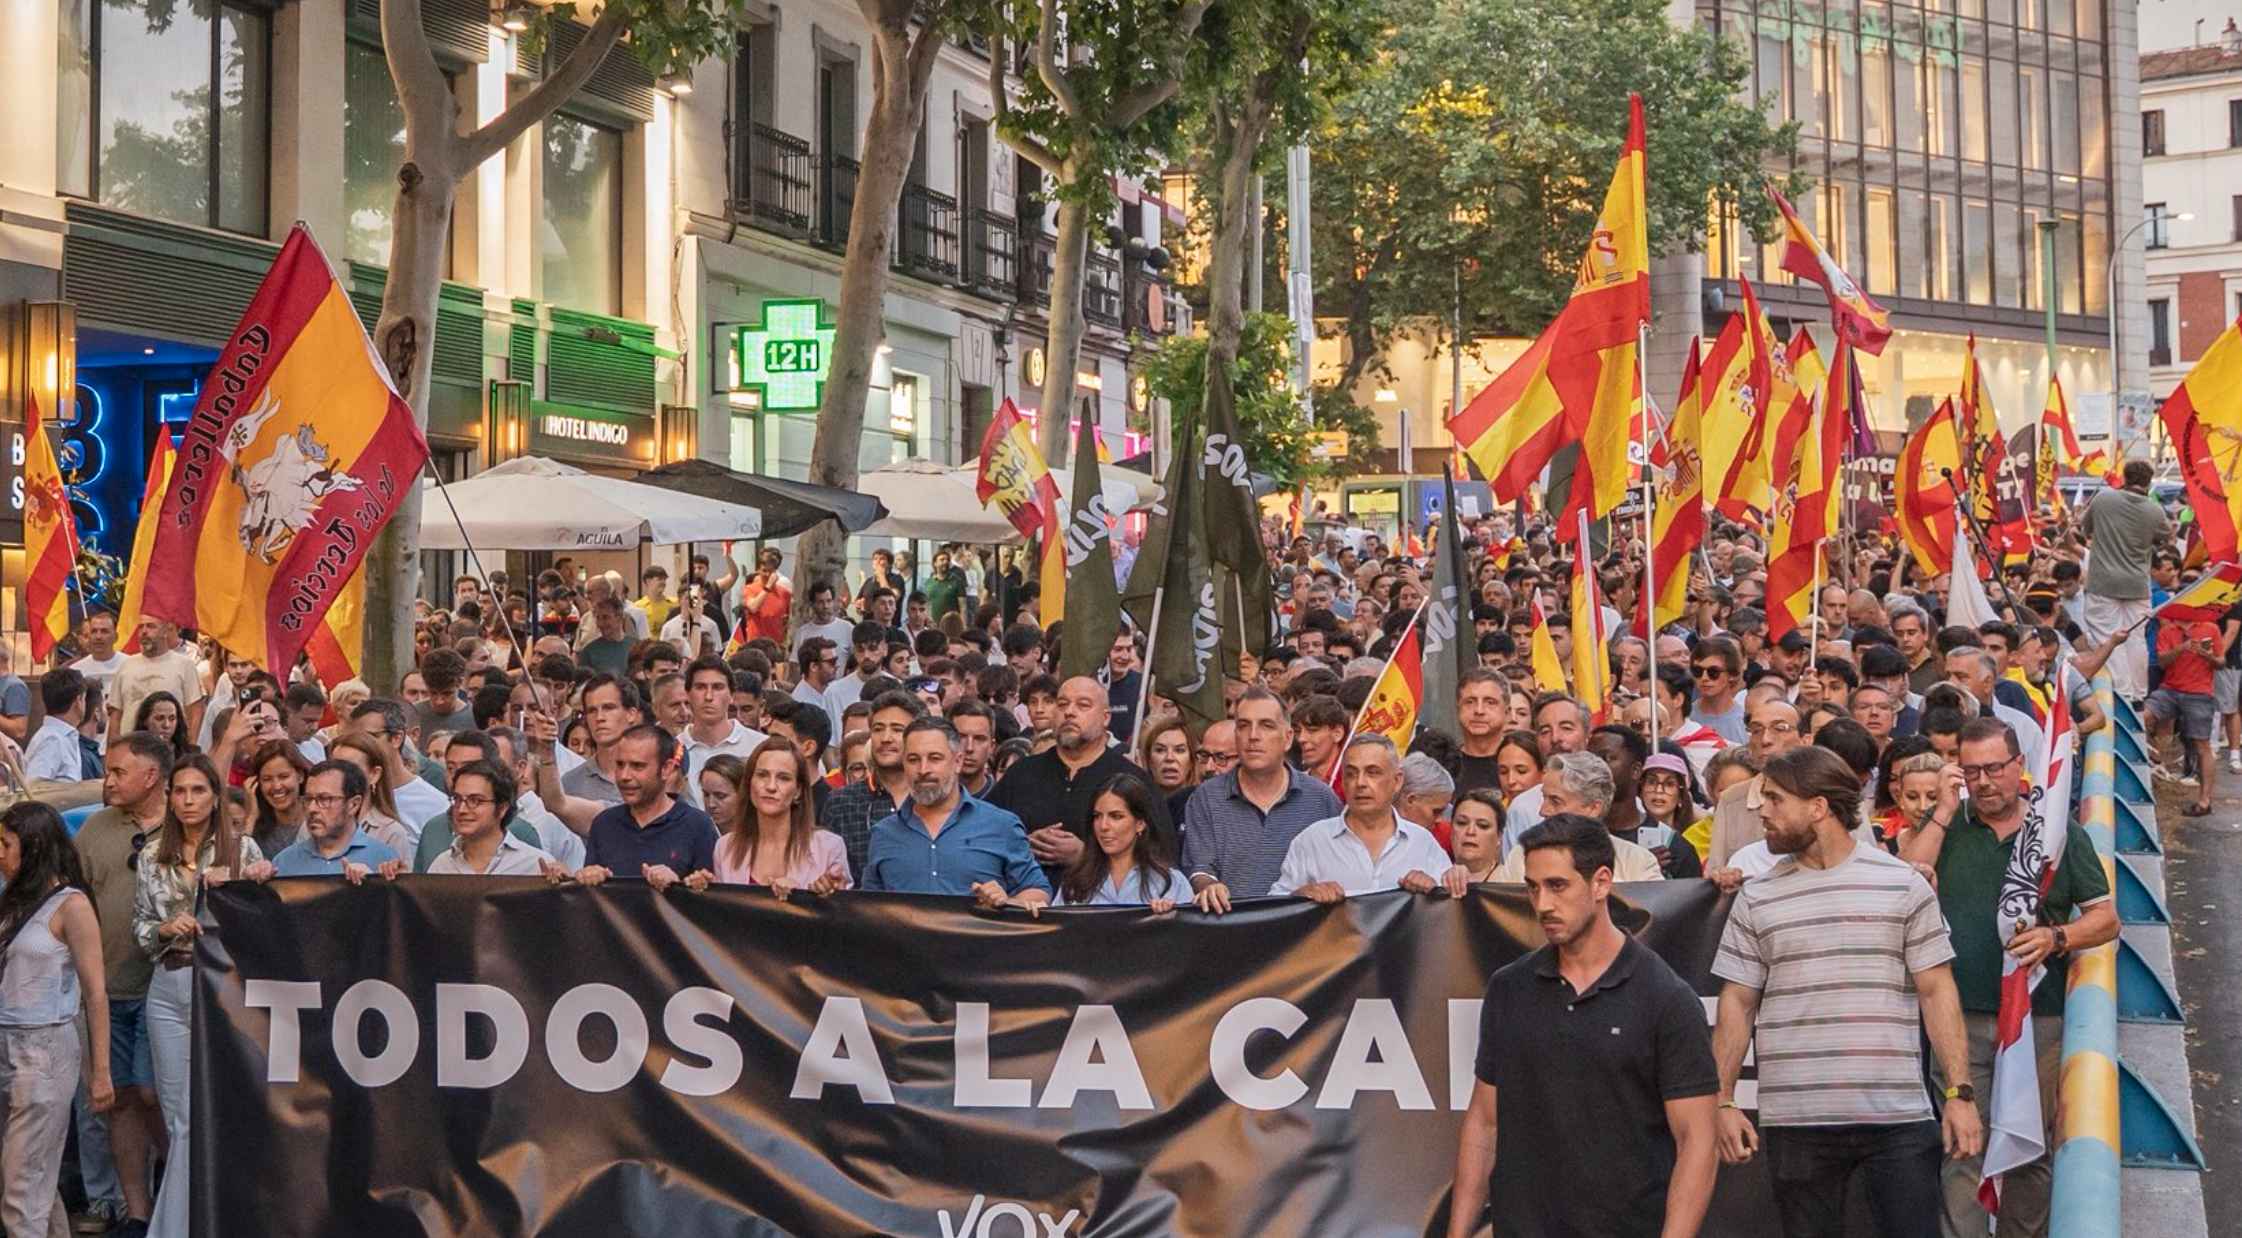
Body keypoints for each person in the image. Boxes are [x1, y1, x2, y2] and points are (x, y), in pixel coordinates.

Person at [1710, 747, 1981, 1237]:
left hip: (1897, 1117)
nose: (1762, 811)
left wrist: (1960, 1093)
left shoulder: (1903, 884)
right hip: (1795, 1123)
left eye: (1775, 800)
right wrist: (1724, 1101)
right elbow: (1736, 1001)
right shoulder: (1756, 895)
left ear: (1818, 808)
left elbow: (1937, 990)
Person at [1449, 813, 1718, 1238]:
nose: (1542, 905)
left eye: (1557, 886)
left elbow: (1697, 1142)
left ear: (1601, 882)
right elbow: (1485, 1122)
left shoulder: (1666, 998)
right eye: (1533, 887)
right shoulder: (1509, 988)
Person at [1898, 719, 2118, 1237]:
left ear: (2020, 766)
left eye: (1994, 768)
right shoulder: (1945, 827)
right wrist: (1945, 811)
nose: (1984, 781)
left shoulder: (2058, 835)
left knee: (2029, 1147)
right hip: (1957, 1017)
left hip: (2035, 1021)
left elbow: (2105, 918)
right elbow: (1901, 882)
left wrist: (2056, 938)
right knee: (1961, 1144)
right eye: (1971, 771)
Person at [134, 754, 267, 1238]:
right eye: (180, 791)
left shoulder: (243, 850)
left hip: (222, 988)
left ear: (215, 797)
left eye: (198, 791)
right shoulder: (153, 855)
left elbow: (261, 923)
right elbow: (140, 927)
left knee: (215, 1112)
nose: (188, 800)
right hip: (168, 983)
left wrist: (250, 887)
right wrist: (166, 927)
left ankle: (185, 1225)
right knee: (176, 1118)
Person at [0, 803, 115, 1238]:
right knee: (31, 1181)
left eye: (7, 844)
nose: (0, 853)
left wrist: (100, 1073)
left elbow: (95, 992)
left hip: (44, 1049)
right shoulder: (12, 899)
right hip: (6, 1041)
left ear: (32, 848)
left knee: (22, 1186)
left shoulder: (72, 905)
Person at [74, 733, 173, 1234]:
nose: (107, 780)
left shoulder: (187, 824)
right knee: (122, 1102)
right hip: (107, 991)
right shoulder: (94, 829)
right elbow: (71, 900)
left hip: (170, 991)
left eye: (117, 771)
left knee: (158, 1097)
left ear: (151, 777)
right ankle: (138, 1213)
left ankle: (178, 1202)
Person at [859, 718, 1051, 907]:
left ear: (958, 761)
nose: (923, 769)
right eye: (913, 759)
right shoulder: (884, 834)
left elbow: (1039, 891)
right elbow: (869, 907)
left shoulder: (1001, 825)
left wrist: (1007, 902)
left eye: (935, 758)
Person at [1182, 689, 1344, 912]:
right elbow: (1199, 867)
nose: (1253, 736)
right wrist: (1209, 886)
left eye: (1266, 725)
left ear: (1288, 738)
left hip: (1301, 937)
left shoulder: (1321, 799)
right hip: (1228, 930)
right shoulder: (1206, 798)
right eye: (1244, 726)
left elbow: (1339, 870)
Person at [985, 677, 1149, 884]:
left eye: (1083, 705)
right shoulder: (1021, 773)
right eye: (1062, 704)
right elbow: (984, 838)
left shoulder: (1131, 779)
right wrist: (1022, 846)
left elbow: (1158, 857)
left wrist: (1086, 857)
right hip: (1025, 907)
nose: (1070, 712)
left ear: (1105, 718)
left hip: (1104, 910)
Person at [1269, 735, 1463, 901]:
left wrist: (1434, 890)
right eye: (1351, 774)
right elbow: (1273, 910)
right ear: (1343, 781)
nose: (1360, 783)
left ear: (1397, 781)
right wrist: (1300, 895)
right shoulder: (1313, 841)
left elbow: (1450, 913)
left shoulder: (1423, 843)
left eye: (1373, 773)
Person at [696, 738, 850, 893]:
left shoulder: (829, 847)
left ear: (798, 791)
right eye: (762, 775)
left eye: (783, 778)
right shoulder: (725, 847)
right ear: (750, 784)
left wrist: (809, 897)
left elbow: (845, 912)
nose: (771, 787)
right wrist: (705, 890)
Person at [1489, 752, 1667, 881]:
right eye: (1544, 798)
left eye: (1555, 801)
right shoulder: (1520, 858)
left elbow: (1653, 927)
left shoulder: (1637, 864)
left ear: (1593, 807)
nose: (1543, 811)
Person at [2078, 460, 2170, 701]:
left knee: (2108, 638)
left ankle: (2121, 694)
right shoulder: (2154, 510)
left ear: (2124, 478)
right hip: (2138, 585)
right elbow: (2165, 537)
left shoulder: (2104, 499)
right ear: (2148, 483)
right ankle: (2138, 696)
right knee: (2137, 639)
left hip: (2103, 583)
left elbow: (2084, 529)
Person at [818, 691, 921, 875]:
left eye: (897, 729)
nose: (886, 738)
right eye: (878, 729)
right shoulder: (841, 802)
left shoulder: (932, 798)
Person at [1054, 775, 1183, 908]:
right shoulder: (1075, 881)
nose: (1103, 826)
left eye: (1116, 816)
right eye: (1097, 816)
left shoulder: (1171, 882)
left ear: (1140, 823)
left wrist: (1169, 919)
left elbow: (1191, 926)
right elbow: (1056, 925)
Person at [270, 760, 401, 877]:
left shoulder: (384, 860)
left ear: (353, 805)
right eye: (308, 799)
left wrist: (373, 884)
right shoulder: (284, 862)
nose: (312, 808)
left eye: (325, 799)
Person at [2146, 614, 2221, 815]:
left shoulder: (2210, 628)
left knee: (2202, 744)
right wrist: (2182, 648)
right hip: (2169, 689)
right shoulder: (2167, 631)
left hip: (2199, 692)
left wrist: (2207, 655)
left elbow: (2220, 662)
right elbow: (2162, 662)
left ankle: (2205, 801)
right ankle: (2154, 760)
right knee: (2143, 717)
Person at [426, 761, 554, 876]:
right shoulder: (442, 866)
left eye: (475, 800)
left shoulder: (535, 865)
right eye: (457, 799)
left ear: (502, 808)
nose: (462, 810)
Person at [109, 620, 206, 749]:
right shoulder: (126, 665)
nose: (144, 631)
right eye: (140, 627)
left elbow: (196, 711)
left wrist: (190, 748)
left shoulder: (184, 665)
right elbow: (116, 716)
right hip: (131, 750)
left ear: (166, 630)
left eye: (150, 626)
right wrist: (112, 751)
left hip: (171, 751)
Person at [1449, 669, 1511, 797]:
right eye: (1470, 702)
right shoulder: (1445, 764)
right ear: (1458, 708)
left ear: (1507, 712)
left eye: (1490, 702)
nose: (1479, 710)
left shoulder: (1522, 763)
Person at [24, 667, 90, 783]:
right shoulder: (52, 740)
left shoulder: (64, 737)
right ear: (78, 701)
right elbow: (34, 788)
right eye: (84, 699)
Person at [1688, 636, 1748, 743]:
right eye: (1697, 671)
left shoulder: (1746, 721)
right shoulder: (1685, 717)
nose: (1704, 678)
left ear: (1732, 674)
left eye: (1713, 672)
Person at [1448, 789, 1505, 884]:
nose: (1470, 831)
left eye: (1482, 825)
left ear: (1499, 836)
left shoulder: (1515, 881)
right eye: (1462, 823)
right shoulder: (1433, 879)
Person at [132, 692, 192, 762]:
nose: (166, 725)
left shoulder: (188, 756)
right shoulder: (132, 754)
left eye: (172, 719)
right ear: (145, 720)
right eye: (159, 718)